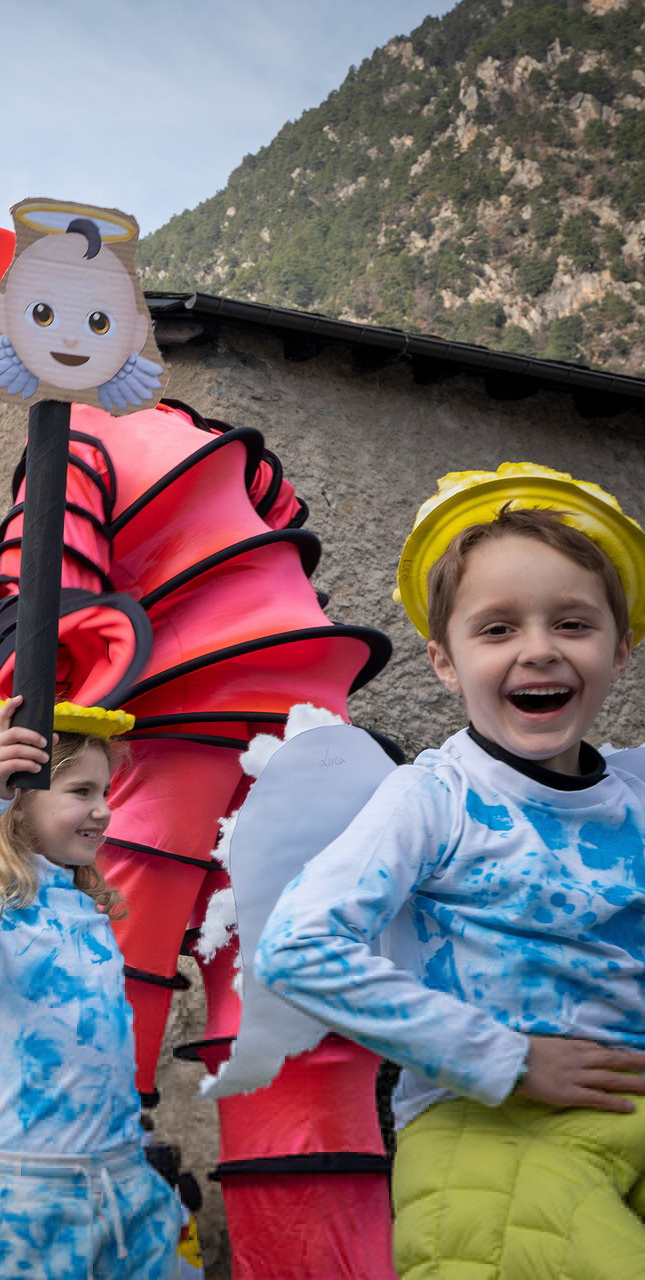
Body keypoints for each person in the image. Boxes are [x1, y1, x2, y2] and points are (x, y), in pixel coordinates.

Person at [257, 471, 645, 1277]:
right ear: (443, 660)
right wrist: (504, 1056)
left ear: (620, 648)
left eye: (572, 623)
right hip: (488, 1126)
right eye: (498, 629)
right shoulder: (432, 799)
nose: (539, 647)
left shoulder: (636, 794)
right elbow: (297, 947)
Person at [0, 698, 183, 1278]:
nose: (104, 811)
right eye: (82, 792)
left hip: (125, 1178)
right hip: (28, 1196)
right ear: (18, 802)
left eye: (106, 792)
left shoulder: (87, 906)